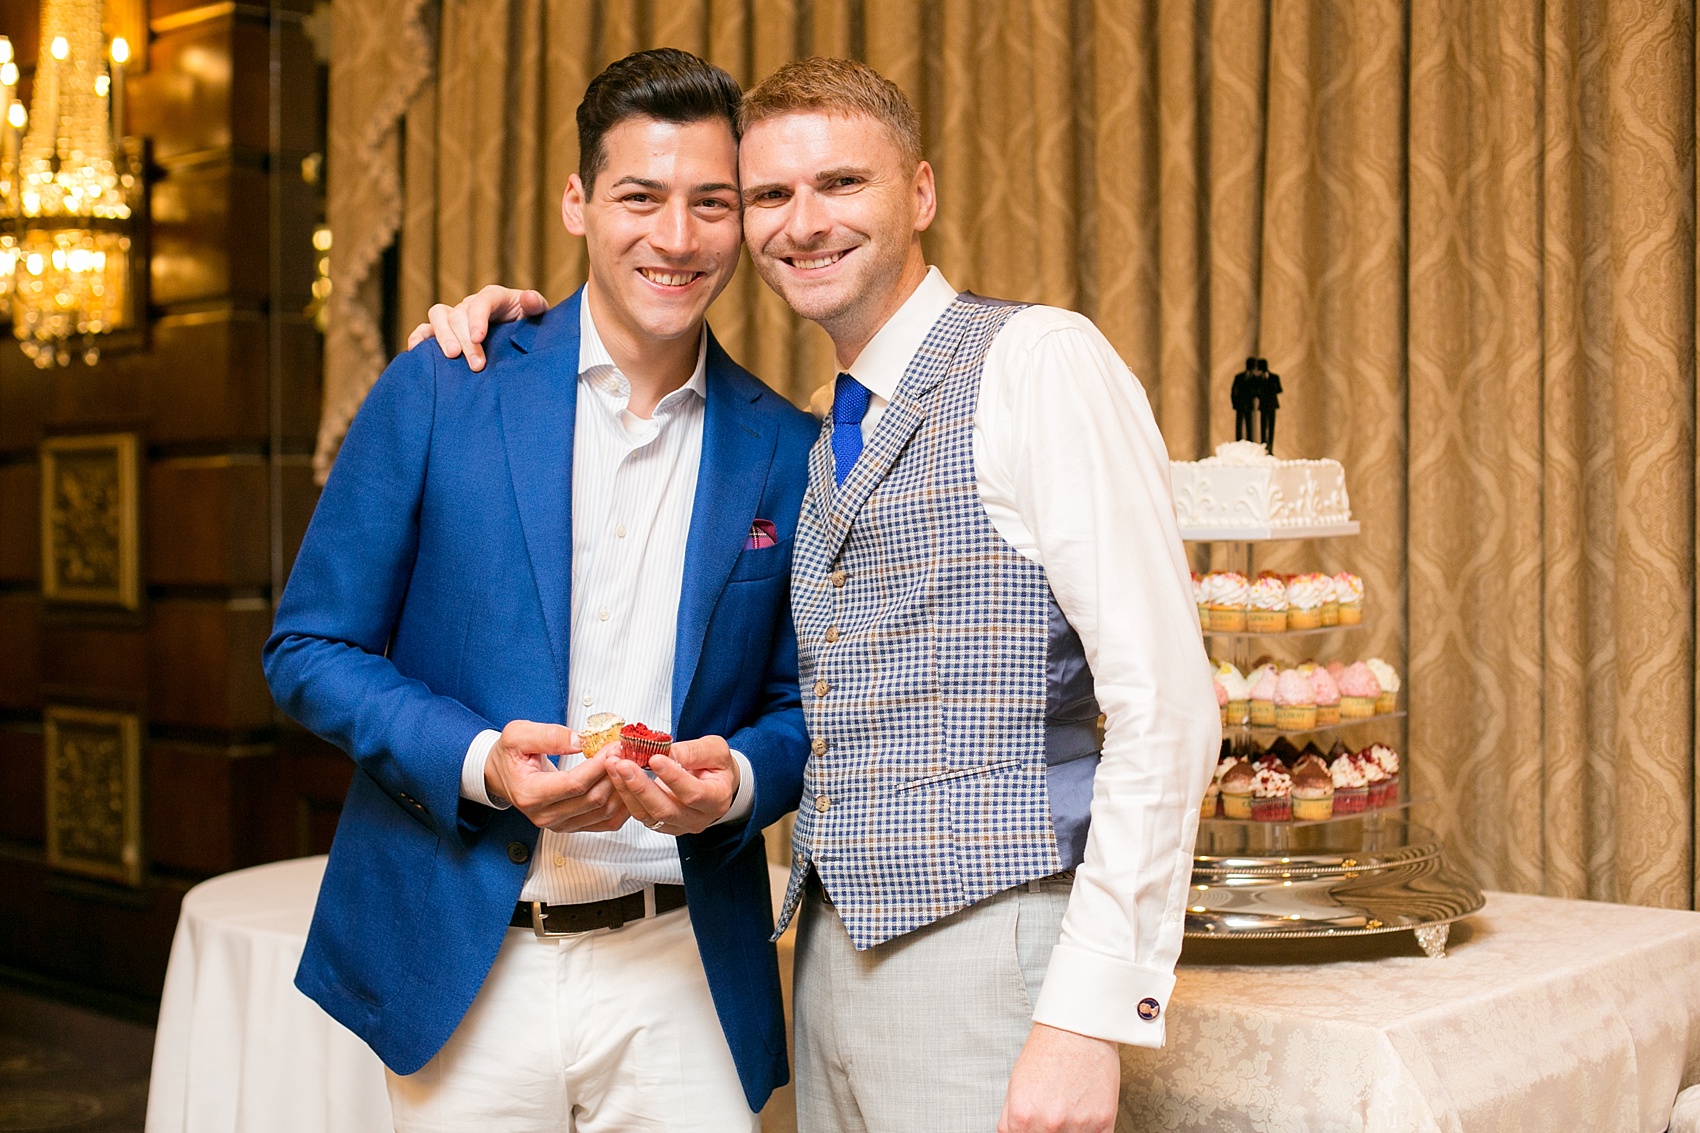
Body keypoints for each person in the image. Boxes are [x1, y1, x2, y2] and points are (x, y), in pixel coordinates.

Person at [416, 57, 1217, 1133]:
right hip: (824, 956)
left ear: (919, 193)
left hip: (996, 951)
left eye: (841, 183)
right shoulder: (810, 429)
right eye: (767, 196)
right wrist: (517, 331)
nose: (804, 222)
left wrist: (1086, 1015)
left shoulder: (1037, 362)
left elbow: (1167, 703)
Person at [264, 48, 817, 1132]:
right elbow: (309, 649)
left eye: (711, 203)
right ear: (576, 201)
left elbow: (806, 706)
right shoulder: (444, 381)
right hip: (467, 959)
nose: (676, 237)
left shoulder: (785, 448)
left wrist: (739, 784)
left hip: (681, 971)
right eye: (639, 197)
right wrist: (482, 764)